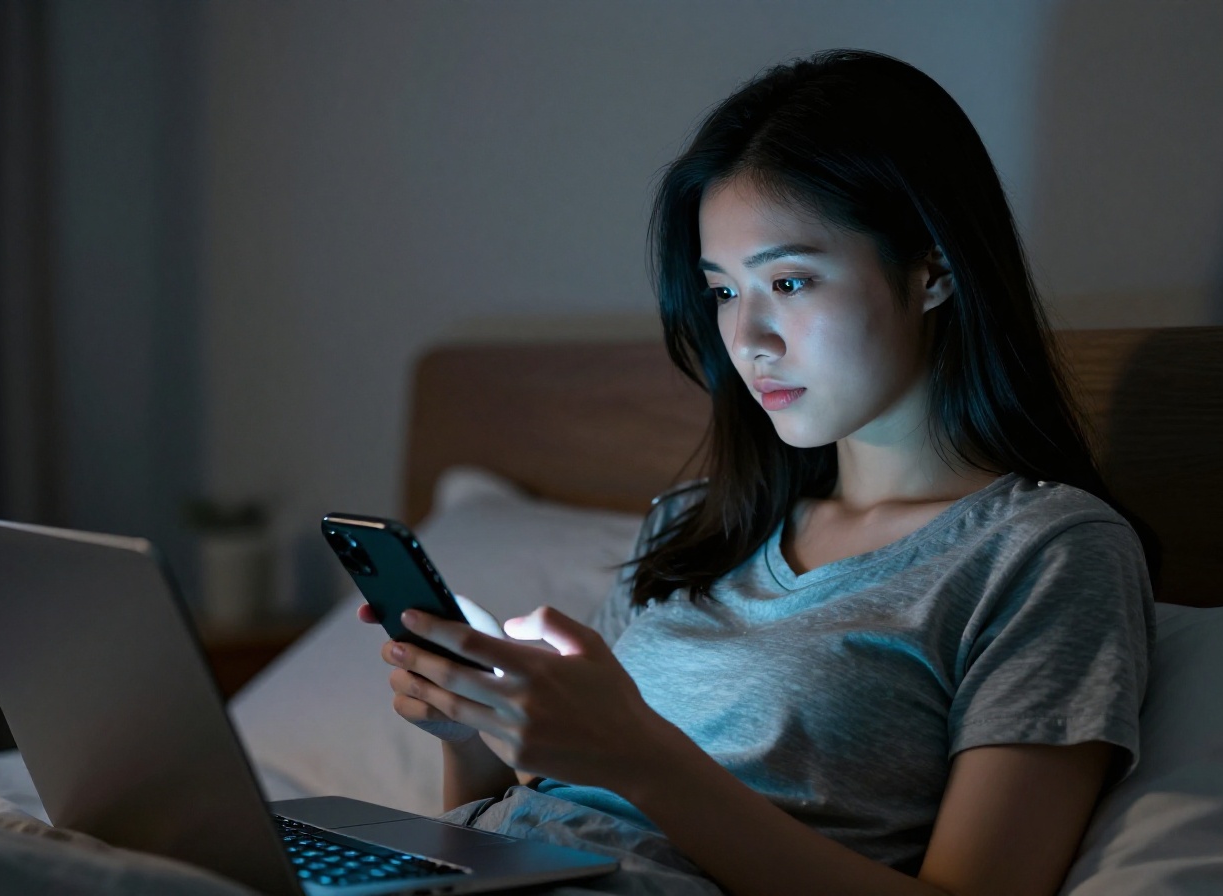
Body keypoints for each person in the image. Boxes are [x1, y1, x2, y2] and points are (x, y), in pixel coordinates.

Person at [357, 49, 1158, 896]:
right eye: (724, 292)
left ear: (934, 271)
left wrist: (642, 757)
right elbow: (544, 818)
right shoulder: (695, 526)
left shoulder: (1047, 555)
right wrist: (467, 733)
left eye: (788, 279)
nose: (749, 340)